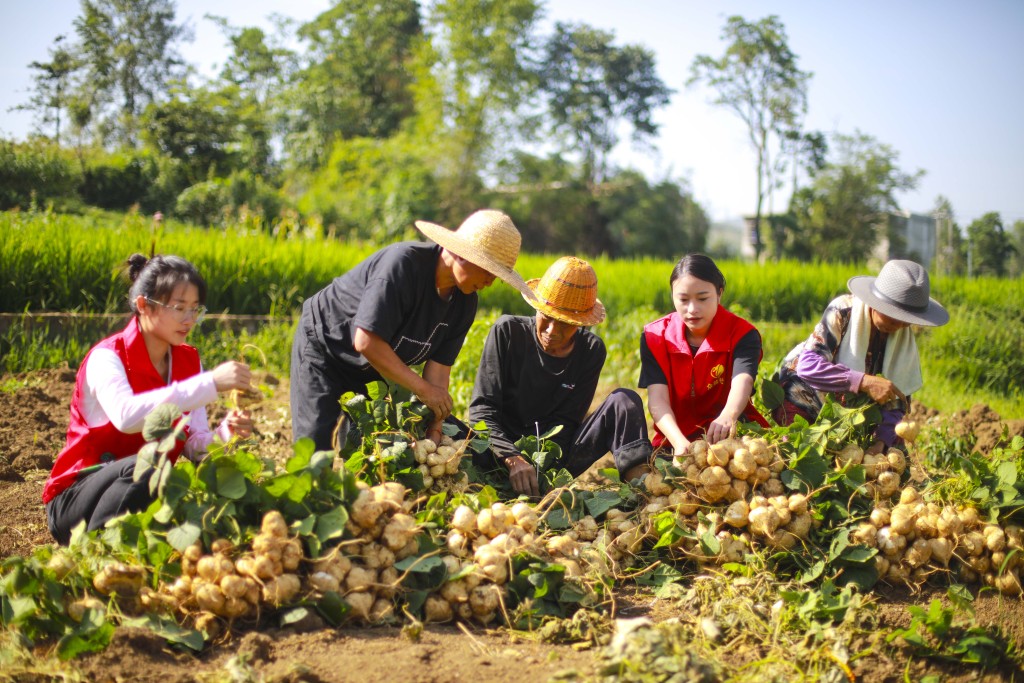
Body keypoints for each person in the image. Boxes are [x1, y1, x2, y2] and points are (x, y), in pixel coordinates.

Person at [44, 254, 254, 545]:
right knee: (149, 465)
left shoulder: (188, 361)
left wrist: (226, 433)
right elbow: (127, 417)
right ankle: (97, 551)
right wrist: (211, 383)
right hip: (77, 502)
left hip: (141, 492)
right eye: (179, 308)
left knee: (160, 475)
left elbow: (193, 444)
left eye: (195, 309)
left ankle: (125, 548)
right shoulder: (107, 358)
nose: (189, 319)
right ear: (143, 305)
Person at [291, 210, 532, 452]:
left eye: (496, 276)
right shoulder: (404, 265)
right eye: (488, 271)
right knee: (313, 451)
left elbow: (439, 369)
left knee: (371, 457)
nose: (490, 281)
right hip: (326, 348)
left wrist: (435, 427)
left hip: (371, 369)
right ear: (462, 255)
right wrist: (424, 391)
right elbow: (366, 341)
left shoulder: (465, 302)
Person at [468, 256, 652, 496]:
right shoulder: (507, 332)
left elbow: (567, 421)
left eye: (564, 324)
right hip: (498, 454)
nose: (551, 331)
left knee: (624, 401)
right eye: (547, 318)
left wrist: (542, 468)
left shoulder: (591, 350)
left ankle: (642, 493)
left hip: (554, 459)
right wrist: (511, 457)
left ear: (580, 324)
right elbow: (482, 410)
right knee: (443, 424)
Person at [772, 259, 949, 451]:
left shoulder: (902, 338)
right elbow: (808, 367)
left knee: (893, 453)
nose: (897, 325)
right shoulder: (843, 312)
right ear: (876, 303)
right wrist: (864, 381)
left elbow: (898, 393)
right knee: (798, 451)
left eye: (905, 320)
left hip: (848, 409)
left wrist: (882, 440)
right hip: (805, 389)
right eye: (892, 316)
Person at [639, 254, 769, 458]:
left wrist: (728, 415)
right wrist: (679, 442)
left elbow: (742, 381)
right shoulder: (654, 337)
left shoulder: (743, 334)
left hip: (730, 432)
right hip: (674, 437)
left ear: (719, 294)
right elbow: (658, 399)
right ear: (672, 296)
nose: (692, 309)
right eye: (683, 299)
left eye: (702, 298)